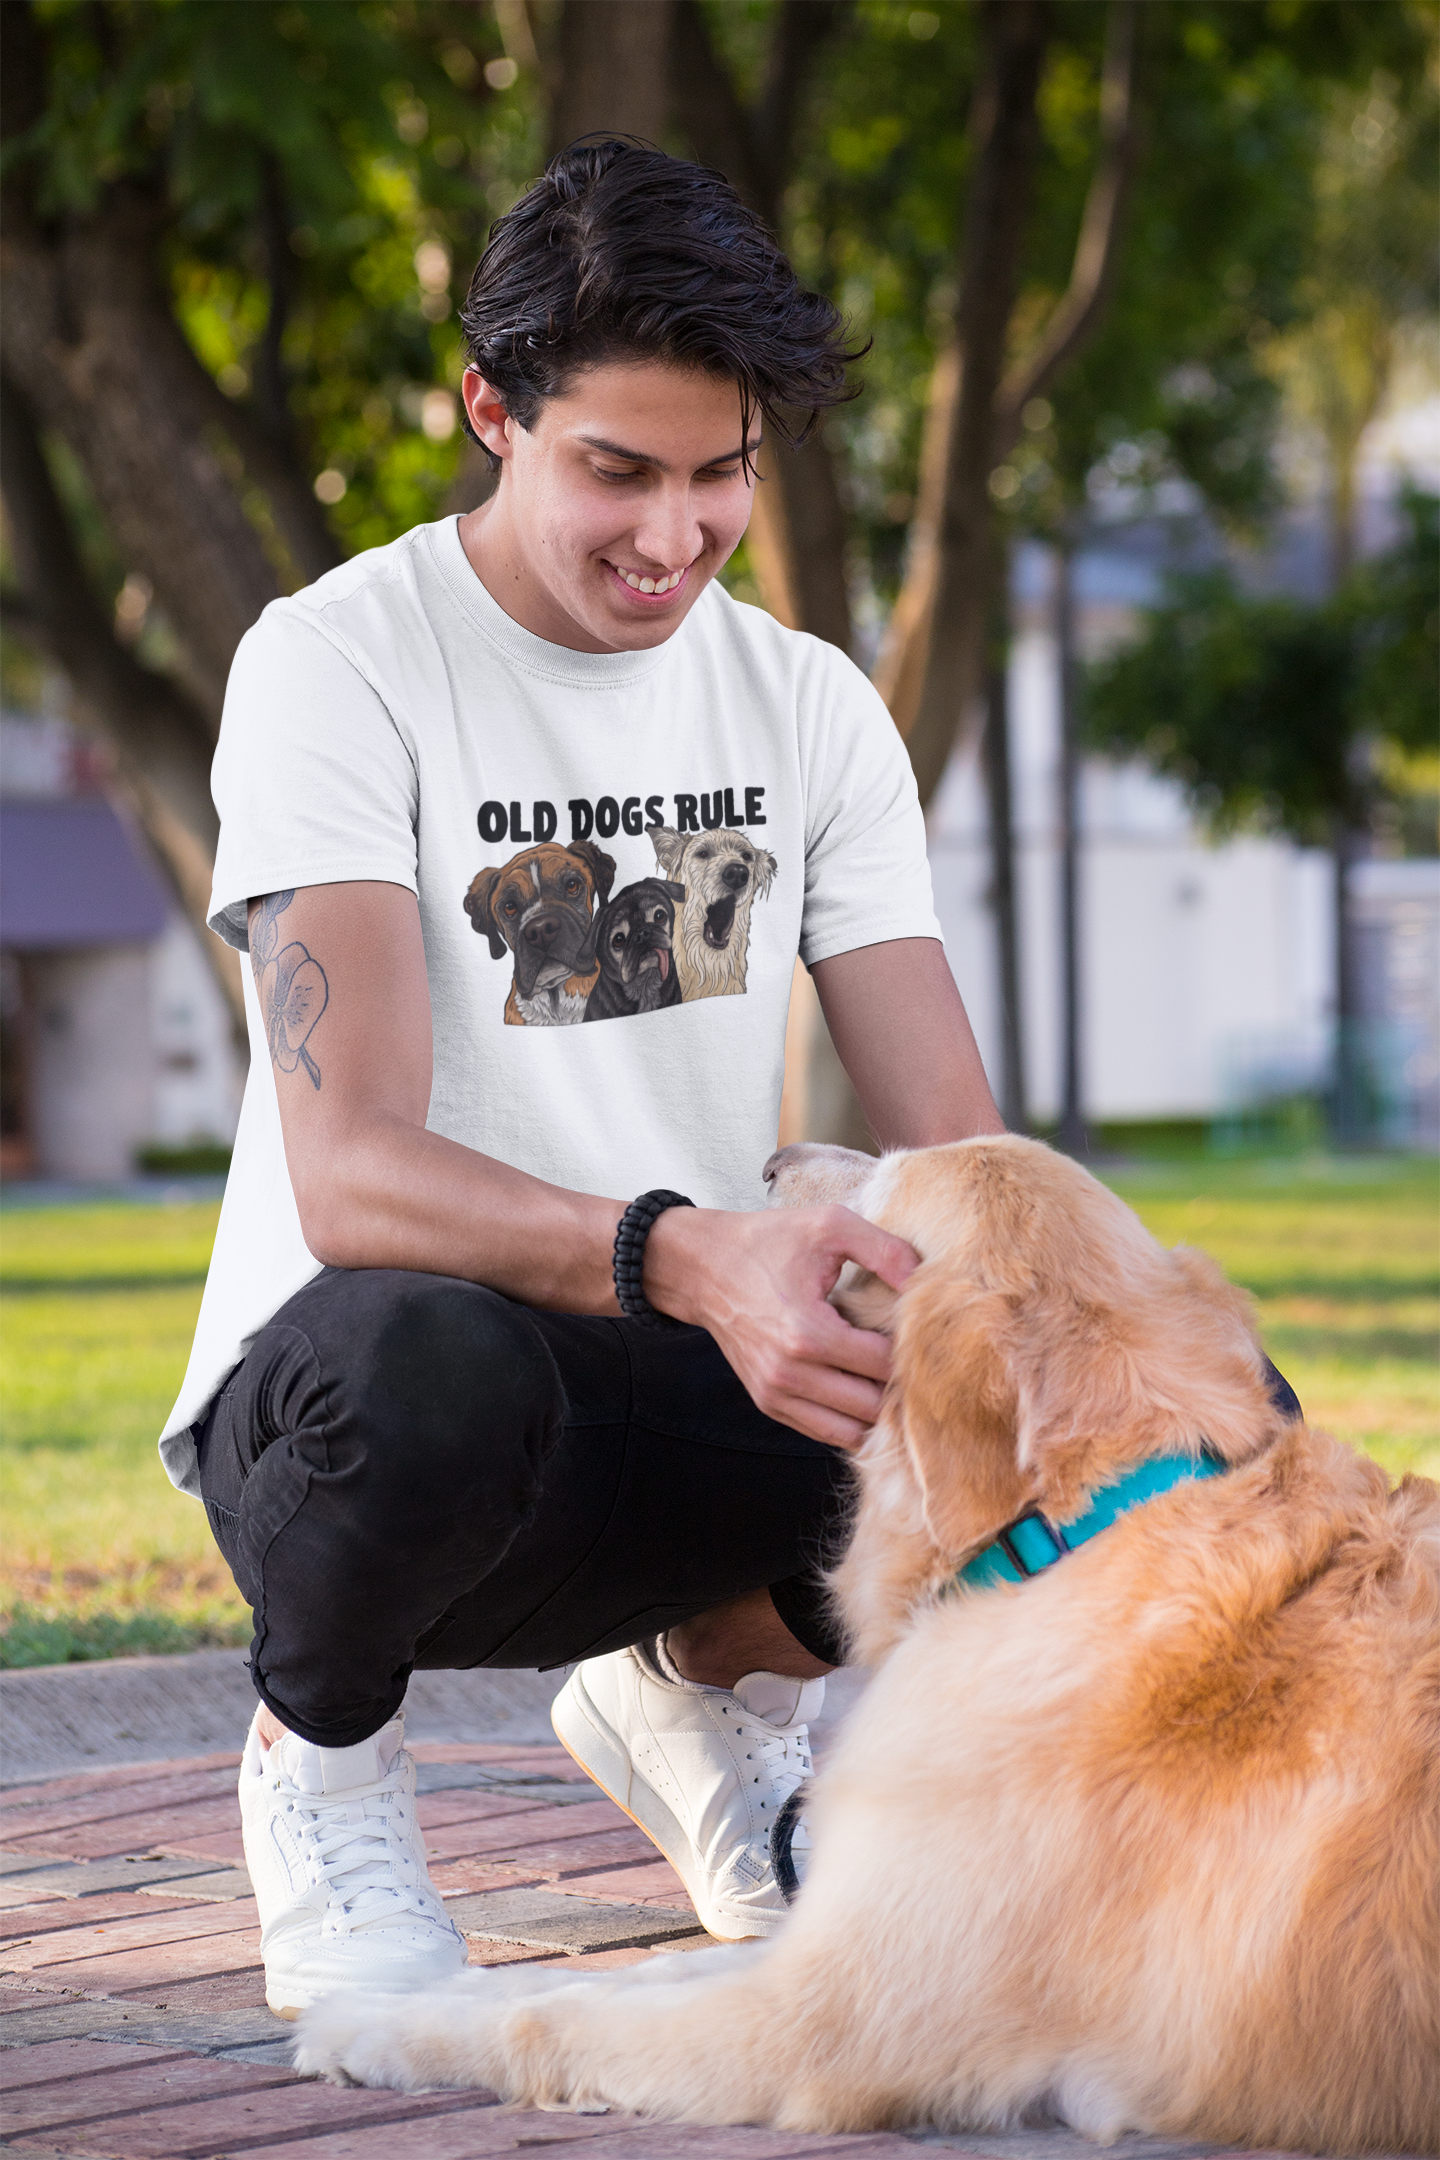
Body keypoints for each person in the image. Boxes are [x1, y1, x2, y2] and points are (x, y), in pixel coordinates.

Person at [161, 139, 1004, 2021]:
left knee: (1034, 1356)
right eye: (615, 470)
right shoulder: (336, 665)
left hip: (681, 1385)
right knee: (429, 1355)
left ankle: (697, 1697)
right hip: (362, 1414)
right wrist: (696, 1249)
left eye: (722, 475)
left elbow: (964, 1153)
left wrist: (1064, 1341)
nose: (673, 535)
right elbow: (353, 1176)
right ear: (492, 414)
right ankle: (323, 1761)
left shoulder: (805, 706)